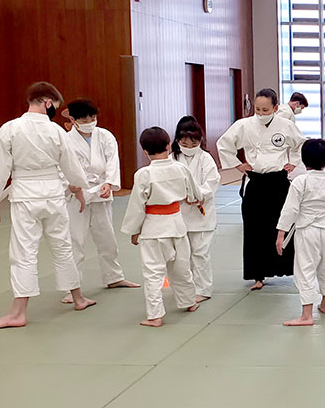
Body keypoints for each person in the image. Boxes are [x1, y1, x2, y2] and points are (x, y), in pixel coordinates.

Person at [0, 82, 96, 329]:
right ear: (47, 101)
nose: (55, 109)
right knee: (63, 245)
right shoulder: (56, 132)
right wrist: (78, 189)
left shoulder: (10, 129)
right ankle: (78, 298)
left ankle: (18, 312)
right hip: (53, 194)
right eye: (55, 105)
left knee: (24, 252)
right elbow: (70, 165)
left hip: (25, 195)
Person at [217, 88, 306, 291]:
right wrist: (238, 164)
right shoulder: (244, 125)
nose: (261, 113)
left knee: (281, 226)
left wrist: (293, 162)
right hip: (255, 181)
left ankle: (287, 269)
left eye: (265, 109)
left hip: (279, 181)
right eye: (257, 109)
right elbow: (224, 144)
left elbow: (300, 144)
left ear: (275, 108)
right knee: (254, 229)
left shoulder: (286, 125)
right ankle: (257, 275)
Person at [121, 127, 201, 327]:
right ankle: (189, 301)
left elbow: (137, 206)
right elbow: (195, 195)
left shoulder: (143, 174)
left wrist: (134, 230)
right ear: (168, 145)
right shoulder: (181, 168)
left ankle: (155, 315)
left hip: (154, 228)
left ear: (144, 151)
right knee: (181, 268)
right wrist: (189, 198)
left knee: (153, 273)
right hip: (177, 224)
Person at [60, 98, 139, 299]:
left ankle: (114, 277)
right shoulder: (65, 140)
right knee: (75, 240)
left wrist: (109, 183)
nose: (89, 121)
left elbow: (113, 160)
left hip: (101, 191)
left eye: (92, 117)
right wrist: (71, 186)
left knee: (107, 238)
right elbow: (60, 167)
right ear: (73, 119)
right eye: (84, 118)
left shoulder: (104, 136)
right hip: (76, 194)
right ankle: (73, 287)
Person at [276, 139, 325, 326]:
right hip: (324, 230)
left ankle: (306, 315)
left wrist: (281, 234)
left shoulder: (300, 181)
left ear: (304, 160)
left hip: (306, 231)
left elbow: (290, 209)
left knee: (305, 268)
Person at [172, 116, 220, 303]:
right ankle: (186, 287)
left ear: (200, 140)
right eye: (184, 141)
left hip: (201, 213)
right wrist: (183, 196)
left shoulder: (205, 158)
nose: (188, 145)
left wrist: (197, 195)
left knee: (200, 253)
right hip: (180, 212)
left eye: (193, 141)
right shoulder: (173, 159)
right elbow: (167, 183)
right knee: (182, 256)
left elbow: (212, 182)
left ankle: (203, 289)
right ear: (177, 139)